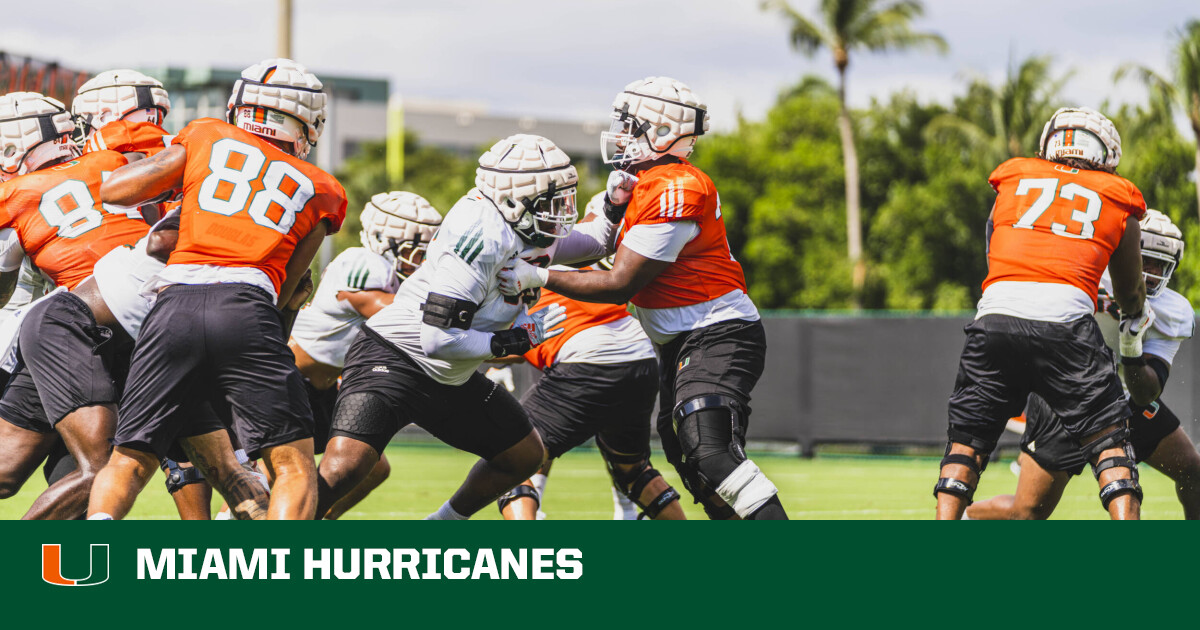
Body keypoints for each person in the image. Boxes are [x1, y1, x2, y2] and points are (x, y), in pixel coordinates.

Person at [499, 77, 786, 520]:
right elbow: (594, 240)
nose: (622, 134)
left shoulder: (677, 186)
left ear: (664, 131)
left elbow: (619, 284)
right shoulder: (639, 182)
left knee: (709, 449)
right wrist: (529, 246)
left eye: (632, 126)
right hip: (677, 340)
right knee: (689, 460)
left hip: (717, 332)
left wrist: (535, 274)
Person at [86, 58, 346, 521]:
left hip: (175, 303)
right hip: (247, 305)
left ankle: (85, 562)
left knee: (130, 459)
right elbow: (286, 290)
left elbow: (116, 190)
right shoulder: (323, 187)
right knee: (292, 466)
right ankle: (276, 582)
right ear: (306, 122)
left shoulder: (206, 134)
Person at [315, 133, 613, 520]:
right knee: (345, 468)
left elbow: (594, 243)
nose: (562, 211)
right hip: (396, 357)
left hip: (448, 377)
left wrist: (613, 204)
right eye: (552, 201)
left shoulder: (528, 226)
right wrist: (515, 340)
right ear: (512, 200)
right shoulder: (482, 234)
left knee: (522, 456)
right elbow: (439, 339)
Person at [934, 107, 1150, 520]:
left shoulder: (1012, 180)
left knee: (966, 441)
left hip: (994, 319)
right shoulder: (1118, 195)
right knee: (1112, 448)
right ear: (1105, 153)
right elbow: (1129, 292)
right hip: (1066, 324)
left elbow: (996, 254)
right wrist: (1133, 317)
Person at [968, 209, 1200, 519]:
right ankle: (968, 516)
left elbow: (1147, 392)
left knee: (1192, 470)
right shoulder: (1087, 274)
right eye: (1146, 260)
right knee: (1025, 511)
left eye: (1161, 264)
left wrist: (1131, 346)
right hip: (1063, 399)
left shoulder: (1173, 311)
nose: (1151, 272)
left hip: (1124, 398)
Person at [0, 92, 151, 518]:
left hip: (72, 324)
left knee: (93, 471)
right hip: (111, 323)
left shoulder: (13, 196)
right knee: (92, 471)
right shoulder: (115, 164)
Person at [499, 196, 684, 521]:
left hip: (586, 355)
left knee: (509, 457)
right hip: (639, 356)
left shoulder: (517, 257)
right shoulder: (579, 252)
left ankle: (526, 560)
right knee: (634, 470)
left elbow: (505, 343)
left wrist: (481, 351)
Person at [288, 190, 442, 518]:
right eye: (414, 252)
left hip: (325, 386)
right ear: (384, 240)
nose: (420, 262)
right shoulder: (363, 262)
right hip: (290, 377)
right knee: (286, 469)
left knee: (372, 467)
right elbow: (383, 309)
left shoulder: (391, 276)